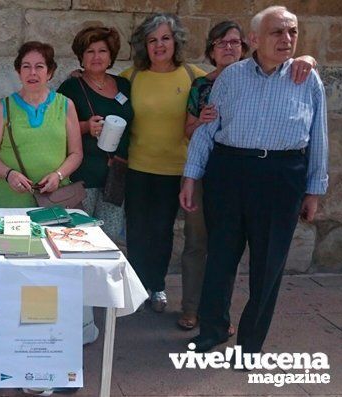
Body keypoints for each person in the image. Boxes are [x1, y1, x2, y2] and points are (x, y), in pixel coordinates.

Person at [181, 5, 328, 354]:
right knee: (220, 257)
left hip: (282, 178)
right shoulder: (231, 77)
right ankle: (212, 330)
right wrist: (190, 176)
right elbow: (208, 129)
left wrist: (314, 190)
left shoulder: (307, 78)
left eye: (292, 32)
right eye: (278, 32)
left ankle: (250, 342)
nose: (287, 39)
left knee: (268, 265)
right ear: (254, 39)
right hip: (230, 172)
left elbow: (318, 135)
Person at [119, 14, 207, 313]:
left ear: (176, 41)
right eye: (152, 40)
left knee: (162, 230)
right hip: (136, 167)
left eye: (165, 38)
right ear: (144, 45)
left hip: (175, 170)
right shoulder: (131, 77)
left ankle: (156, 286)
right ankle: (137, 287)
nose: (159, 45)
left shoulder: (194, 76)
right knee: (136, 231)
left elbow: (230, 75)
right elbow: (99, 88)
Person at [0, 41, 83, 208]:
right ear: (19, 72)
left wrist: (58, 175)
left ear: (49, 72)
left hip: (56, 199)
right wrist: (9, 175)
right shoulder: (4, 107)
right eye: (26, 67)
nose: (32, 73)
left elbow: (76, 153)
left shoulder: (65, 105)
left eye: (39, 67)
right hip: (13, 201)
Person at [57, 26, 133, 240]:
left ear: (111, 56)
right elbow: (54, 128)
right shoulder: (71, 87)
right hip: (83, 177)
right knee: (75, 238)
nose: (96, 56)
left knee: (108, 240)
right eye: (90, 51)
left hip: (115, 175)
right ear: (81, 57)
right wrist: (84, 127)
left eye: (102, 51)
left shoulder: (124, 85)